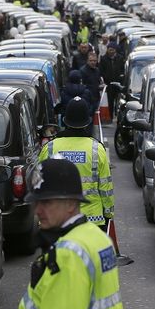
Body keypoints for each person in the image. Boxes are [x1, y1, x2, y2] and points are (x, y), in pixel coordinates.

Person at [16, 157, 125, 309]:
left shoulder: (67, 254)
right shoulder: (99, 238)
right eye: (37, 202)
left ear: (71, 203)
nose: (38, 210)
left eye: (47, 202)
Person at [39, 97, 114, 230]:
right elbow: (105, 187)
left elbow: (39, 186)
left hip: (57, 220)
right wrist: (108, 213)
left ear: (65, 121)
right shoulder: (97, 149)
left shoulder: (50, 148)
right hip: (91, 220)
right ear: (86, 123)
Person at [99, 42, 124, 114]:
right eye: (110, 50)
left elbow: (122, 69)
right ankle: (110, 115)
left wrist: (121, 76)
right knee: (110, 101)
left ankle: (117, 113)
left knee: (118, 100)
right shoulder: (103, 59)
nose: (111, 51)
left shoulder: (120, 58)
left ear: (115, 50)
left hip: (118, 83)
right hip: (108, 84)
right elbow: (101, 71)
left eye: (113, 50)